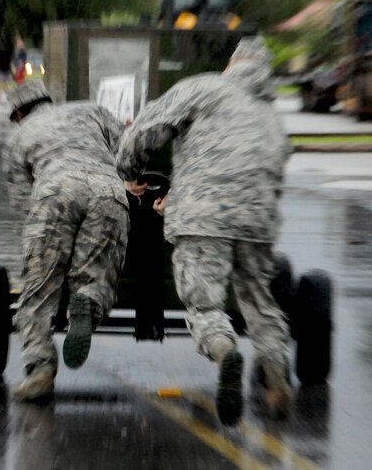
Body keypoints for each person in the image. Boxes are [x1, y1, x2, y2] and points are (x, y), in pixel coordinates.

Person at [116, 36, 292, 426]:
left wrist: (128, 173)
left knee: (205, 303)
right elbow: (276, 174)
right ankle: (278, 378)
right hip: (259, 222)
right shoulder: (271, 117)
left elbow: (147, 128)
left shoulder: (204, 87)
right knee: (260, 302)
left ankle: (225, 351)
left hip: (203, 217)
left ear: (232, 64)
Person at [3, 79, 129, 401]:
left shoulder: (18, 137)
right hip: (107, 192)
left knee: (39, 289)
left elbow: (22, 203)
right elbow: (128, 150)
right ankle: (85, 305)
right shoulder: (92, 111)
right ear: (49, 100)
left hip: (54, 192)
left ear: (18, 114)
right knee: (96, 276)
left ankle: (40, 371)